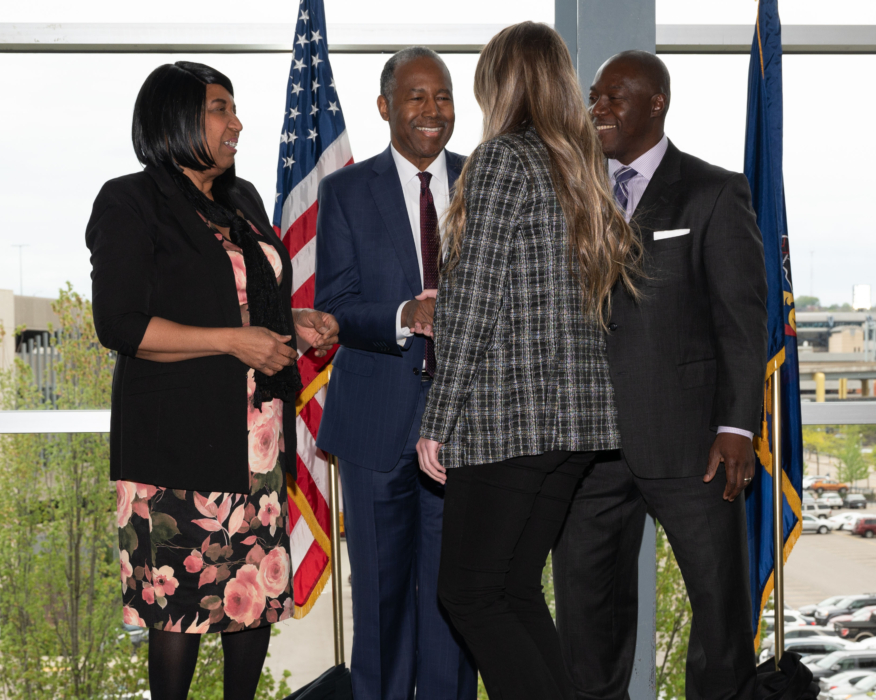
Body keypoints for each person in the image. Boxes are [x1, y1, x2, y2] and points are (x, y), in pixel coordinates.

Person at [86, 61, 338, 700]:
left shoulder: (241, 199)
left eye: (234, 108)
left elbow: (244, 301)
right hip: (175, 450)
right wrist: (231, 341)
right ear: (176, 120)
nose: (237, 123)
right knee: (180, 611)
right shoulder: (129, 200)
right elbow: (121, 324)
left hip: (257, 444)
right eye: (221, 109)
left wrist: (290, 322)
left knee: (253, 601)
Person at [416, 23, 643, 700]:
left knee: (468, 593)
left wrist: (438, 420)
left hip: (510, 422)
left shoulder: (502, 159)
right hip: (574, 427)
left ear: (501, 83)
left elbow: (474, 300)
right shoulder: (579, 165)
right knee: (511, 590)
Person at [552, 50, 767, 700]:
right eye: (594, 96)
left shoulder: (713, 190)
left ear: (656, 103)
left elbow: (741, 319)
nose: (598, 108)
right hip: (589, 448)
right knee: (586, 618)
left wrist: (737, 426)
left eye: (614, 97)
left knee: (720, 611)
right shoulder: (573, 194)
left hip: (694, 445)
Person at [314, 47, 477, 700]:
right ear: (385, 107)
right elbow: (335, 306)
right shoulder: (345, 191)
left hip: (466, 428)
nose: (433, 109)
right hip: (374, 425)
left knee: (455, 599)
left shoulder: (482, 182)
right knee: (380, 602)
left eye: (443, 96)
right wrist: (406, 314)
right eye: (417, 96)